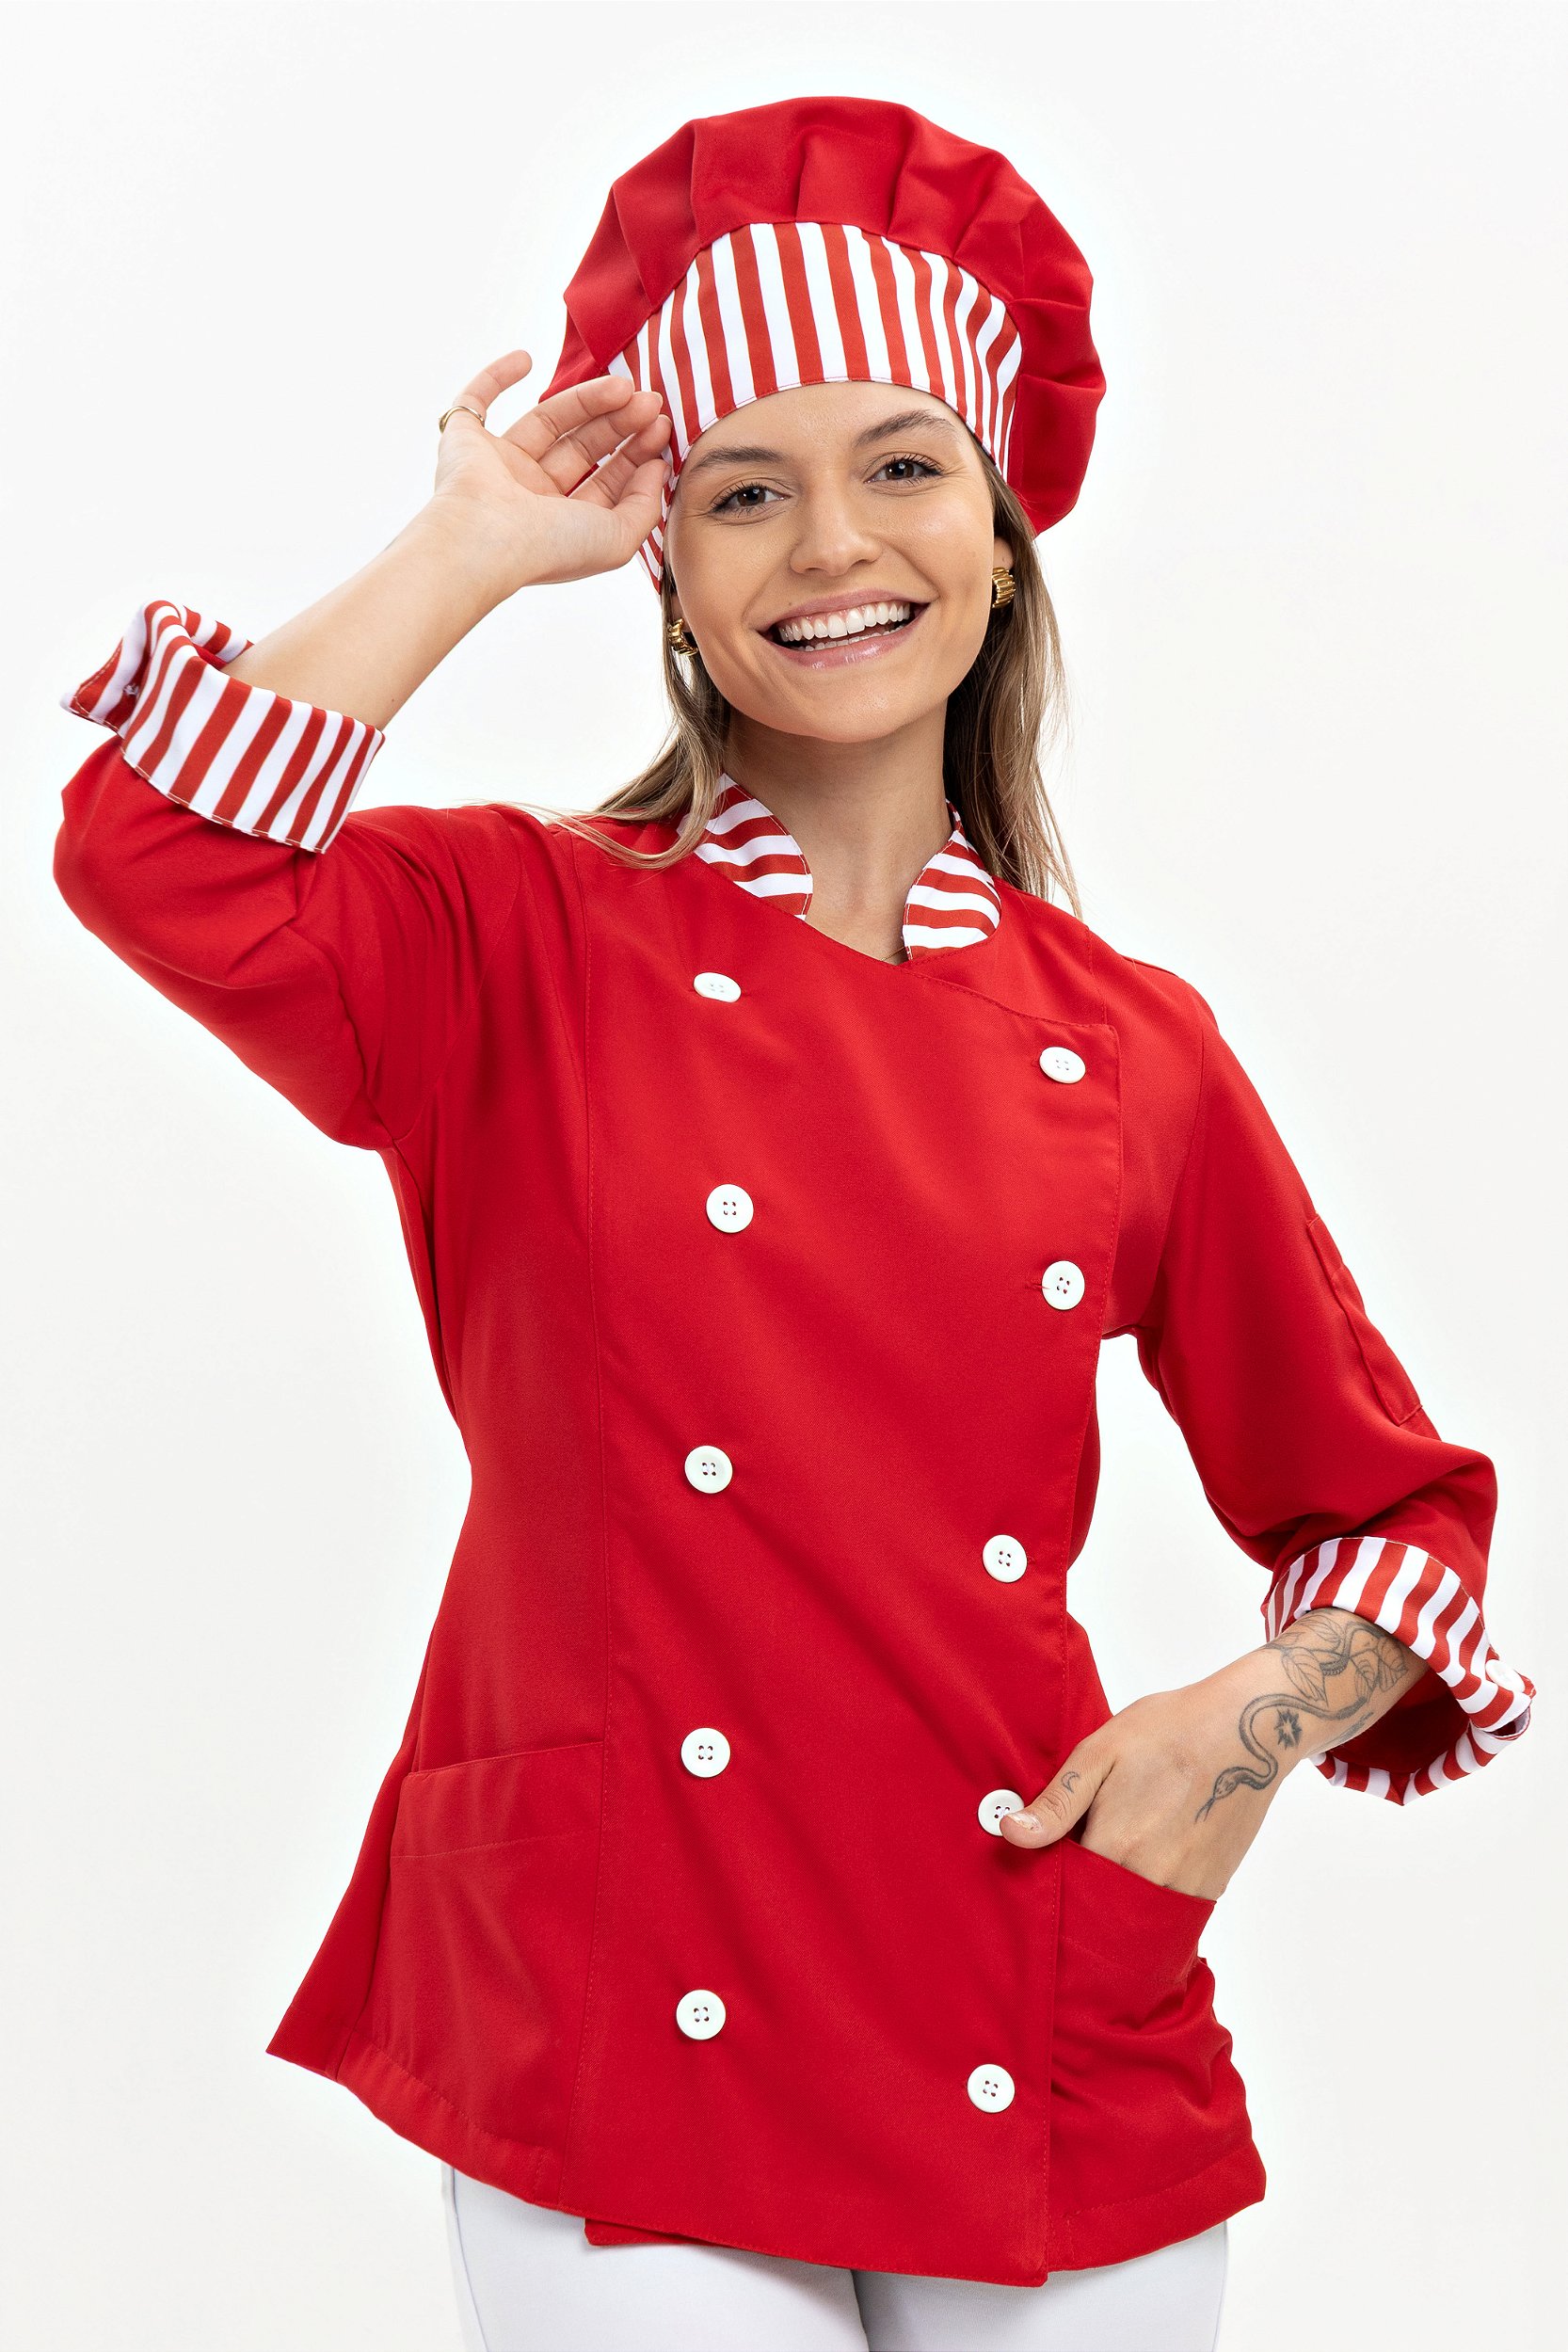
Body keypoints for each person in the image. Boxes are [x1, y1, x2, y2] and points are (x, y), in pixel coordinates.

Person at [52, 94, 1533, 2352]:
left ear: (1001, 533)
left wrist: (1236, 1729)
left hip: (1029, 1975)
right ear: (663, 566)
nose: (830, 540)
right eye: (742, 489)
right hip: (622, 1981)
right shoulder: (509, 932)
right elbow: (160, 858)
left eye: (900, 464)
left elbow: (1394, 1519)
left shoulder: (1126, 1045)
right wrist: (465, 545)